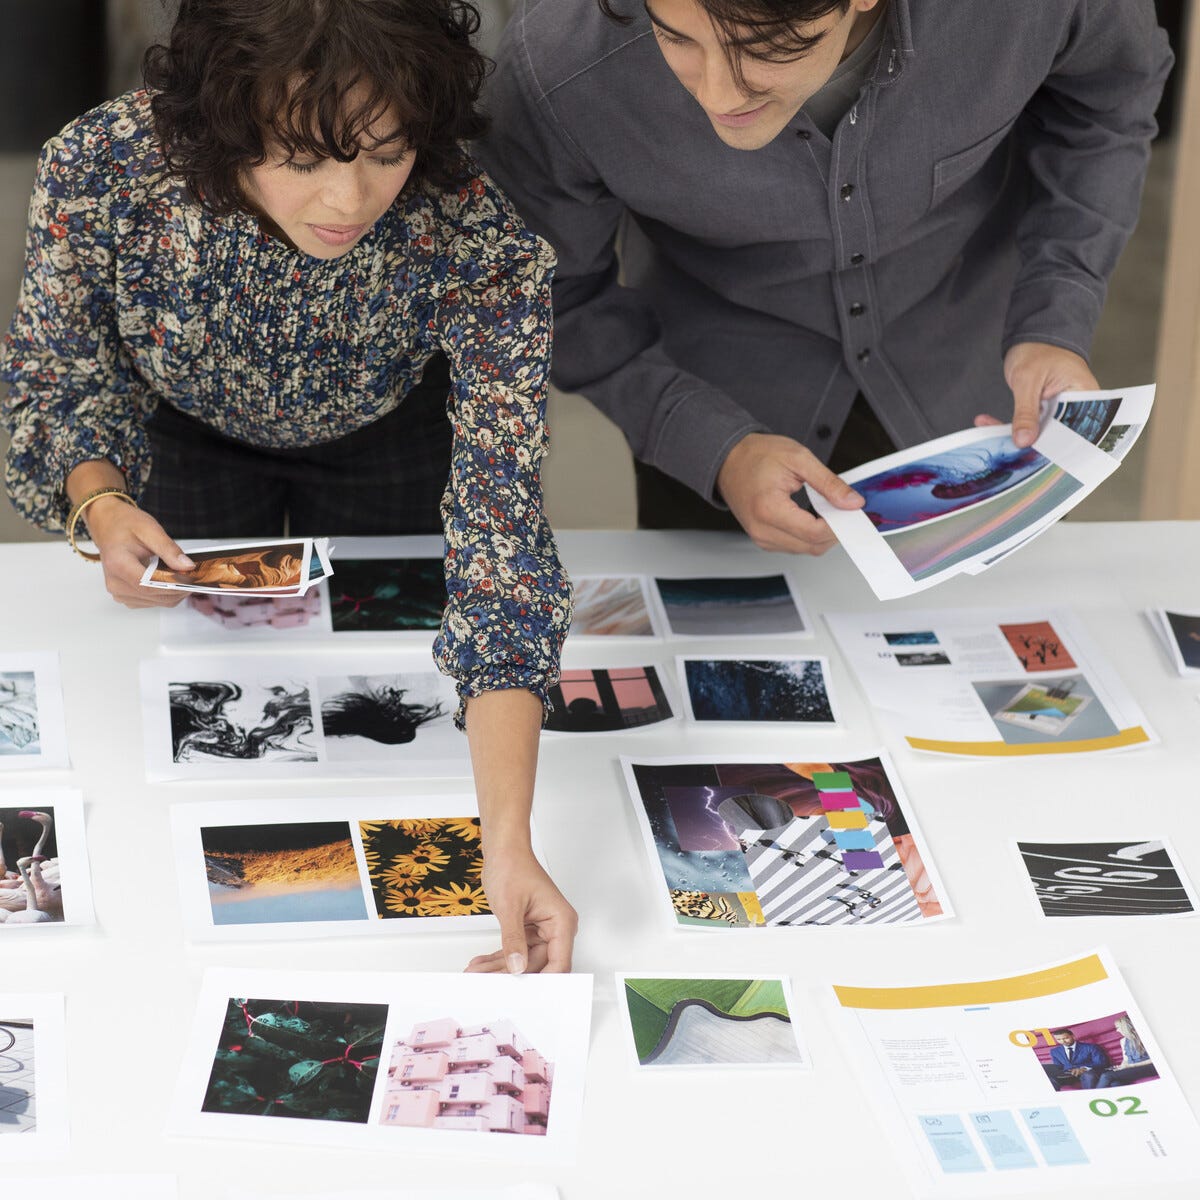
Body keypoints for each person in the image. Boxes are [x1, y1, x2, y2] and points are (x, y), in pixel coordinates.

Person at [0, 0, 575, 973]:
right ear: (224, 122)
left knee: (376, 686)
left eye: (386, 152)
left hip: (389, 441)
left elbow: (502, 533)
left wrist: (506, 845)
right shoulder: (104, 167)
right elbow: (60, 370)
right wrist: (100, 499)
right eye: (302, 158)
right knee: (187, 687)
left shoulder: (474, 227)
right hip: (182, 440)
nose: (349, 198)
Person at [476, 0, 1172, 552]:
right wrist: (710, 445)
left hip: (979, 398)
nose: (718, 94)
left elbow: (1109, 104)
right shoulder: (556, 67)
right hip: (721, 422)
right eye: (676, 37)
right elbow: (549, 292)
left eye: (761, 47)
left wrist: (1055, 315)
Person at [1097, 1016, 1158, 1089]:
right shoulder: (1123, 1041)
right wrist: (1122, 1067)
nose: (1117, 1030)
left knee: (1106, 1076)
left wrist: (1131, 1066)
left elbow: (1157, 1060)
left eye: (1118, 1027)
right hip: (1132, 1068)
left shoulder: (1145, 1037)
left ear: (1125, 1027)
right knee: (1115, 1083)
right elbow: (1125, 1060)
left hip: (1150, 1067)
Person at [1044, 1028, 1109, 1090]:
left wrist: (1084, 1068)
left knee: (1089, 1075)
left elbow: (1100, 1062)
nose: (1063, 1041)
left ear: (1073, 1036)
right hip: (1067, 1075)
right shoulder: (1054, 1051)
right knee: (1049, 1079)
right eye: (1059, 1039)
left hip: (1086, 1072)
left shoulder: (1091, 1047)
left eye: (1066, 1038)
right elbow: (1058, 1066)